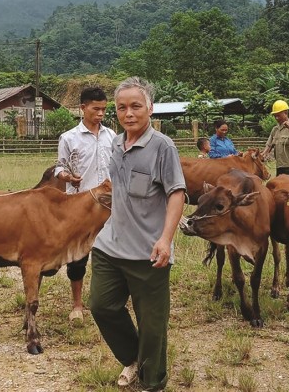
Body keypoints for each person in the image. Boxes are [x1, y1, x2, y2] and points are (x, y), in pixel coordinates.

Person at [89, 76, 186, 392]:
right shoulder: (116, 143)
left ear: (150, 108)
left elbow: (176, 193)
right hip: (110, 245)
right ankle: (132, 358)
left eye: (135, 106)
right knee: (101, 306)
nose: (128, 113)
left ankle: (152, 382)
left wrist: (166, 239)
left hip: (148, 252)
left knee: (152, 325)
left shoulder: (162, 147)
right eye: (121, 107)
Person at [54, 87, 116, 322]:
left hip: (108, 205)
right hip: (80, 205)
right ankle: (77, 304)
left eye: (103, 109)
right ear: (83, 108)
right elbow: (59, 167)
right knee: (78, 255)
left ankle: (107, 300)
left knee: (109, 252)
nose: (100, 114)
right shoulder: (69, 138)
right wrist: (67, 177)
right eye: (95, 109)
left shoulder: (112, 136)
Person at [262, 99, 289, 177]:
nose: (276, 118)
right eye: (275, 116)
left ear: (286, 113)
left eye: (278, 115)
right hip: (279, 167)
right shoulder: (275, 130)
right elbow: (269, 145)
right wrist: (264, 154)